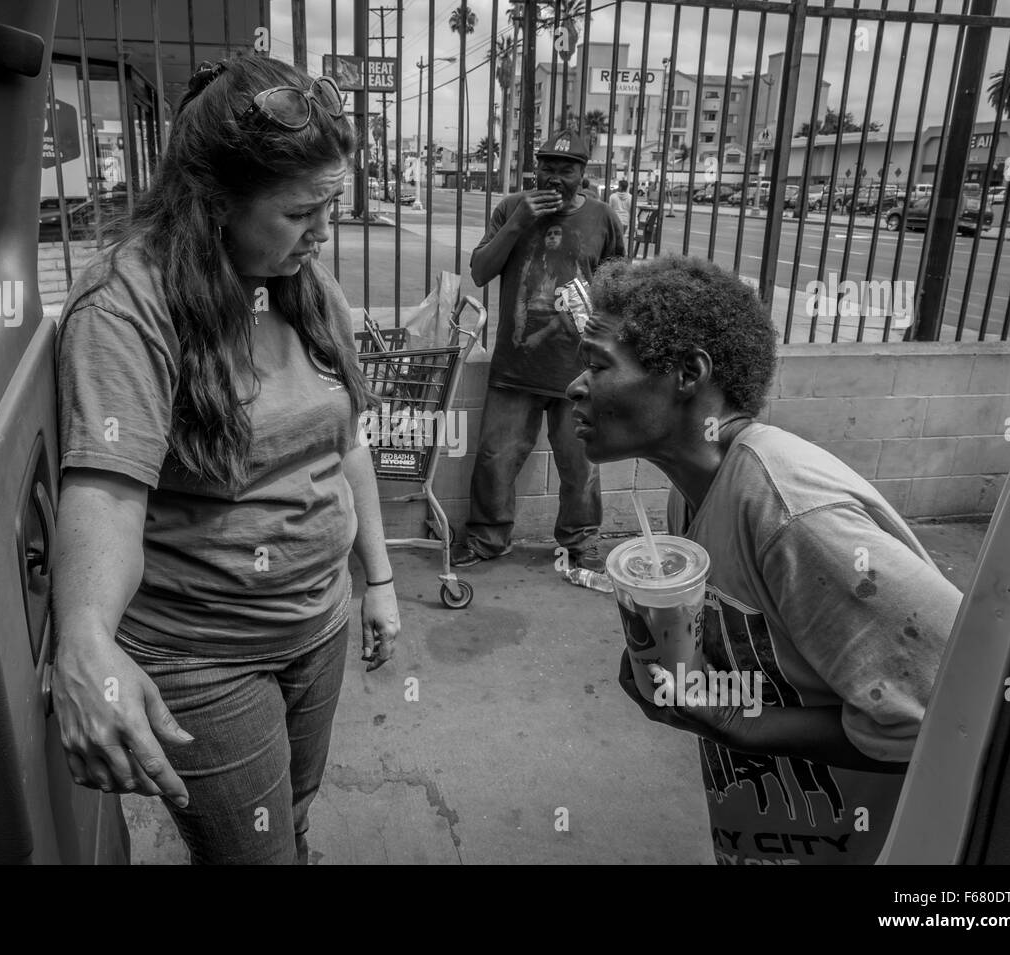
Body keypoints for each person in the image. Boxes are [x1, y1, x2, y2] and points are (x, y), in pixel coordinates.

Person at [50, 56, 401, 865]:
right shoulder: (126, 305)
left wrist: (377, 580)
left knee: (294, 815)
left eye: (331, 207)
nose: (322, 232)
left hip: (318, 621)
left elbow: (347, 442)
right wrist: (87, 636)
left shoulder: (306, 284)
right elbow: (106, 491)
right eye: (300, 212)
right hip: (202, 653)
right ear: (214, 203)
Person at [567, 255, 960, 865]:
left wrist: (737, 723)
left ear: (687, 373)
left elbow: (951, 712)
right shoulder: (691, 498)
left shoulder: (793, 515)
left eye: (597, 364)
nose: (576, 385)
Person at [453, 130, 624, 571]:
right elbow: (478, 271)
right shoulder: (511, 208)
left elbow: (616, 288)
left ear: (583, 174)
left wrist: (611, 352)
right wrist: (517, 224)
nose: (554, 177)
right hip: (516, 364)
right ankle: (487, 540)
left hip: (580, 369)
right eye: (547, 166)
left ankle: (580, 542)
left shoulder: (603, 218)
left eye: (566, 169)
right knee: (495, 457)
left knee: (581, 464)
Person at [608, 179, 634, 249]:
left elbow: (609, 209)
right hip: (625, 221)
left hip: (615, 220)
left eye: (618, 186)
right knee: (621, 238)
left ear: (620, 187)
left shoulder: (613, 196)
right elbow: (632, 211)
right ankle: (621, 252)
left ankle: (615, 253)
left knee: (614, 238)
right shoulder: (631, 197)